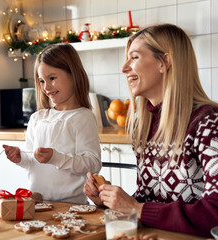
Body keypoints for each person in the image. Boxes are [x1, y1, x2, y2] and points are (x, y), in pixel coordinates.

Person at [83, 24, 218, 237]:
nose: (124, 68)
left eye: (134, 57)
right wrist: (112, 201)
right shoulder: (144, 125)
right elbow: (153, 200)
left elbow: (215, 212)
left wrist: (137, 209)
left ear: (164, 62)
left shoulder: (208, 122)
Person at [3, 43, 102, 204]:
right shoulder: (37, 118)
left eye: (52, 78)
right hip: (37, 203)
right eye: (41, 81)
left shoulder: (82, 117)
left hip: (71, 206)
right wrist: (20, 157)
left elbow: (93, 164)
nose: (46, 87)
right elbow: (31, 161)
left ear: (73, 75)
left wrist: (56, 158)